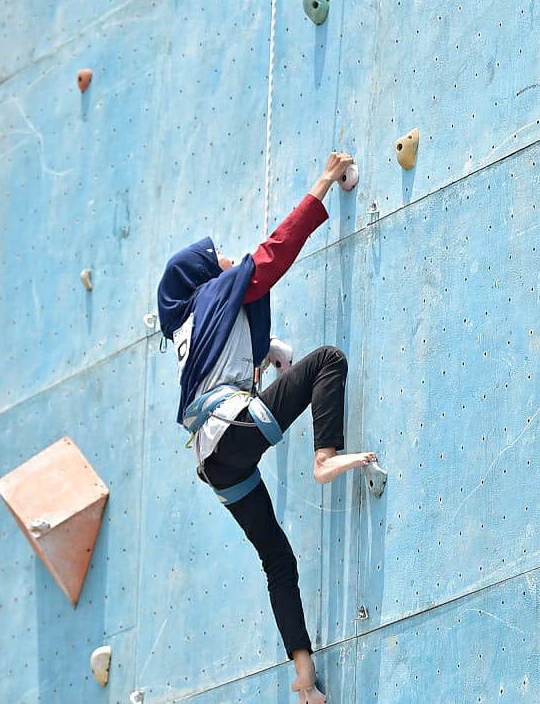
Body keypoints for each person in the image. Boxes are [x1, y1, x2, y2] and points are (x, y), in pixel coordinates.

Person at [156, 151, 376, 704]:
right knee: (328, 361)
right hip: (233, 426)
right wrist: (323, 183)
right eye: (218, 258)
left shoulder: (190, 323)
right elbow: (276, 253)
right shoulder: (217, 292)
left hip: (213, 461)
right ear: (204, 276)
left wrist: (271, 351)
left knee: (277, 557)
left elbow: (225, 353)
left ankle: (303, 677)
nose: (229, 260)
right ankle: (325, 456)